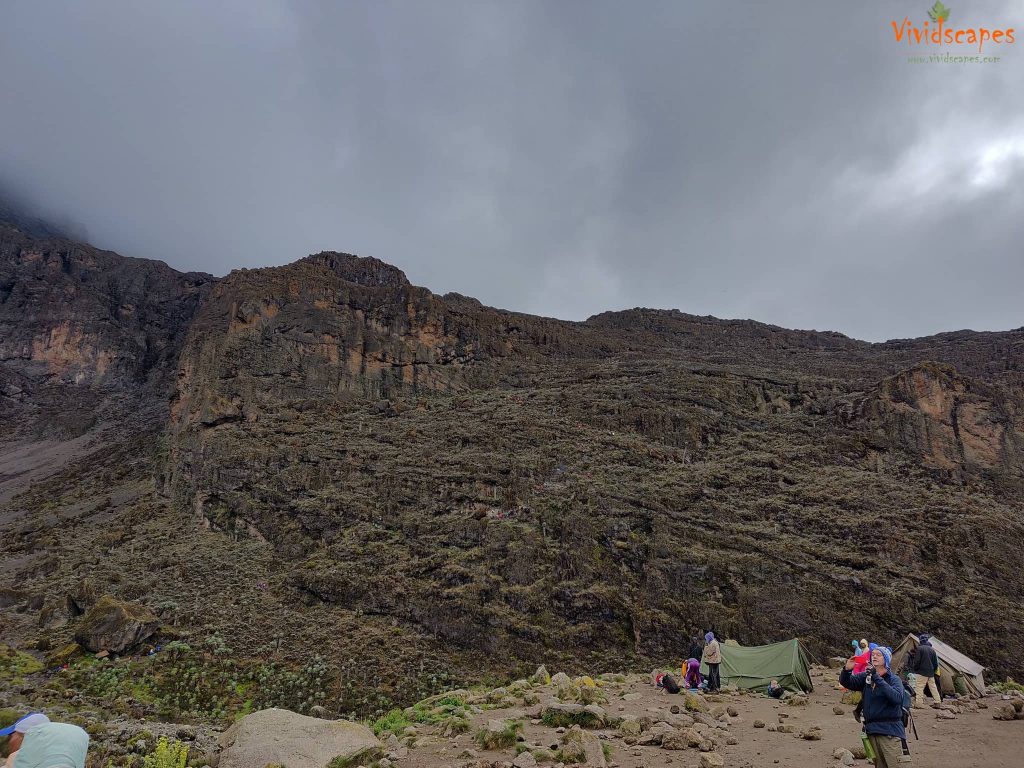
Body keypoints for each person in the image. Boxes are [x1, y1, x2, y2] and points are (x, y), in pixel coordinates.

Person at [840, 647, 911, 767]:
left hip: (890, 732)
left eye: (879, 655)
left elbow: (897, 698)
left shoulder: (894, 679)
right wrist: (847, 670)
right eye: (873, 654)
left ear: (886, 659)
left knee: (895, 765)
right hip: (872, 730)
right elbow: (848, 683)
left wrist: (876, 677)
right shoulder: (866, 677)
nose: (874, 656)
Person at [0, 712, 89, 768]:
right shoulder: (68, 758)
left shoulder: (15, 759)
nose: (9, 742)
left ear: (26, 736)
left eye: (10, 735)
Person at [908, 634, 941, 708]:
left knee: (919, 687)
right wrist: (933, 670)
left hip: (921, 672)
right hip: (931, 672)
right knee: (933, 687)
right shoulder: (932, 649)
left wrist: (915, 669)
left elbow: (917, 661)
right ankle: (937, 702)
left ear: (920, 641)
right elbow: (935, 662)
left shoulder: (920, 648)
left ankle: (919, 703)